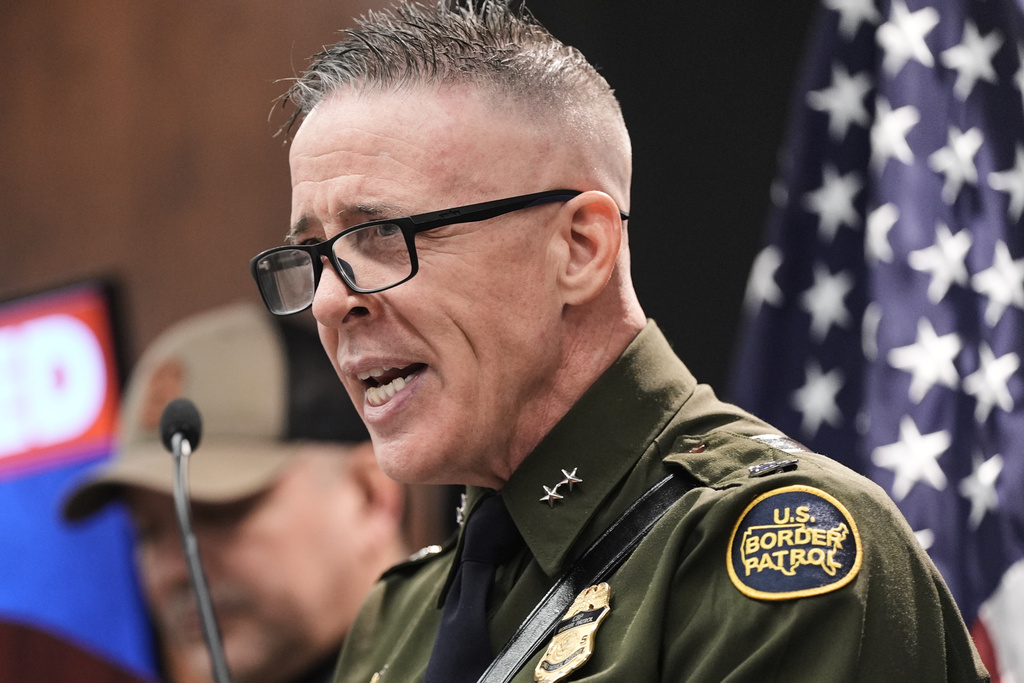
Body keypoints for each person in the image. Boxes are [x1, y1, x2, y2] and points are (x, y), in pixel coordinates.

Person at [247, 1, 990, 681]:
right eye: (311, 254)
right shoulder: (397, 618)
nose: (334, 298)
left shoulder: (780, 565)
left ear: (579, 247)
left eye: (383, 235)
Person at [63, 303, 409, 683]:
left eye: (218, 513)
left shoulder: (473, 660)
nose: (174, 570)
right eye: (148, 531)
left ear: (368, 496)